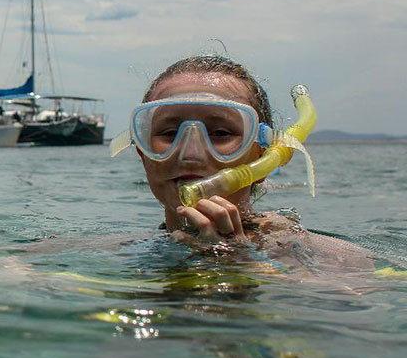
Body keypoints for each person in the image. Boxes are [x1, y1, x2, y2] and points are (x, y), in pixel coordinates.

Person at [112, 55, 371, 267]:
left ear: (263, 157)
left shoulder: (339, 261)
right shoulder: (112, 253)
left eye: (220, 133)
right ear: (143, 154)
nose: (190, 153)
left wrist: (240, 263)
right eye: (169, 133)